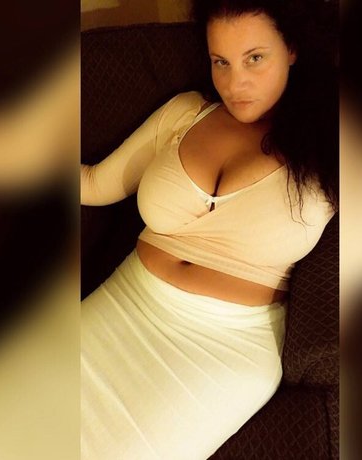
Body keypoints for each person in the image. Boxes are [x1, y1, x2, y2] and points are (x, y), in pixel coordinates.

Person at [81, 0, 338, 458]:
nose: (234, 83)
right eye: (221, 62)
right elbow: (95, 184)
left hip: (219, 353)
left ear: (292, 49)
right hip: (122, 307)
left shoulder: (332, 141)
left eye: (254, 58)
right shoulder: (186, 114)